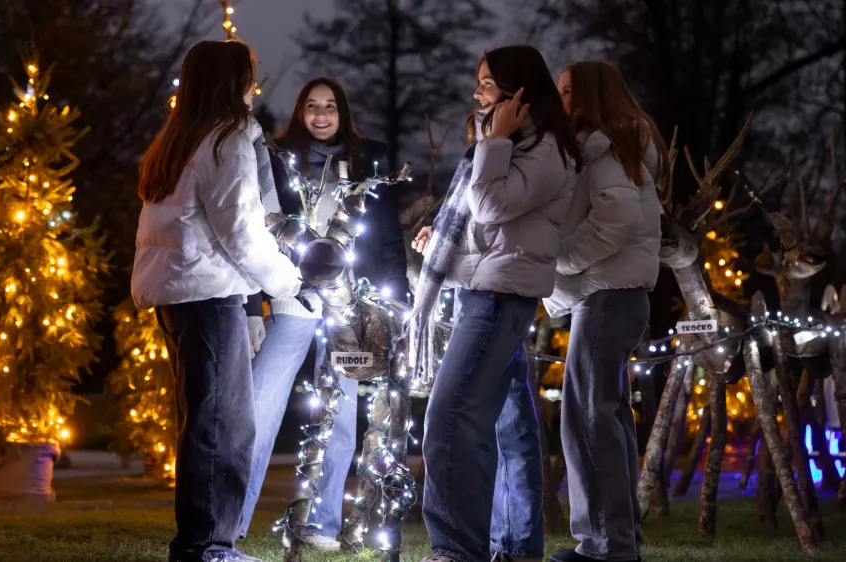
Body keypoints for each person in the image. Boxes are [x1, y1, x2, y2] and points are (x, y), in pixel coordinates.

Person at [131, 40, 304, 562]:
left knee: (206, 422)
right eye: (249, 77)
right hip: (208, 298)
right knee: (222, 427)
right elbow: (243, 233)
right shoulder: (227, 141)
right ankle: (206, 546)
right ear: (233, 83)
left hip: (181, 296)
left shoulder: (179, 140)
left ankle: (205, 543)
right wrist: (288, 281)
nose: (255, 87)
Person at [410, 45, 581, 562]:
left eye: (486, 82)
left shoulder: (544, 149)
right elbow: (486, 228)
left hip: (499, 301)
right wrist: (440, 237)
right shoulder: (504, 146)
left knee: (450, 419)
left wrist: (498, 139)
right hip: (483, 293)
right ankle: (516, 547)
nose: (476, 92)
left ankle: (458, 550)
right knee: (512, 429)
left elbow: (488, 206)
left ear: (518, 91)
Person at [239, 77, 410, 550]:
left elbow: (389, 238)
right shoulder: (280, 160)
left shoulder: (366, 162)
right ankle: (229, 520)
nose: (320, 114)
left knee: (340, 420)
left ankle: (323, 525)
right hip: (293, 303)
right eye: (311, 105)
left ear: (343, 112)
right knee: (260, 408)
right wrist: (258, 304)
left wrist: (397, 302)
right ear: (300, 112)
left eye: (330, 106)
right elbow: (260, 230)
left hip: (349, 311)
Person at [543, 60, 664, 562]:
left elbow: (616, 218)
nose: (561, 99)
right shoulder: (612, 146)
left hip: (608, 294)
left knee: (589, 421)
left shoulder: (606, 146)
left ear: (590, 95)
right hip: (615, 295)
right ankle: (615, 540)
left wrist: (561, 255)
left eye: (568, 90)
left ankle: (605, 547)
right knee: (603, 419)